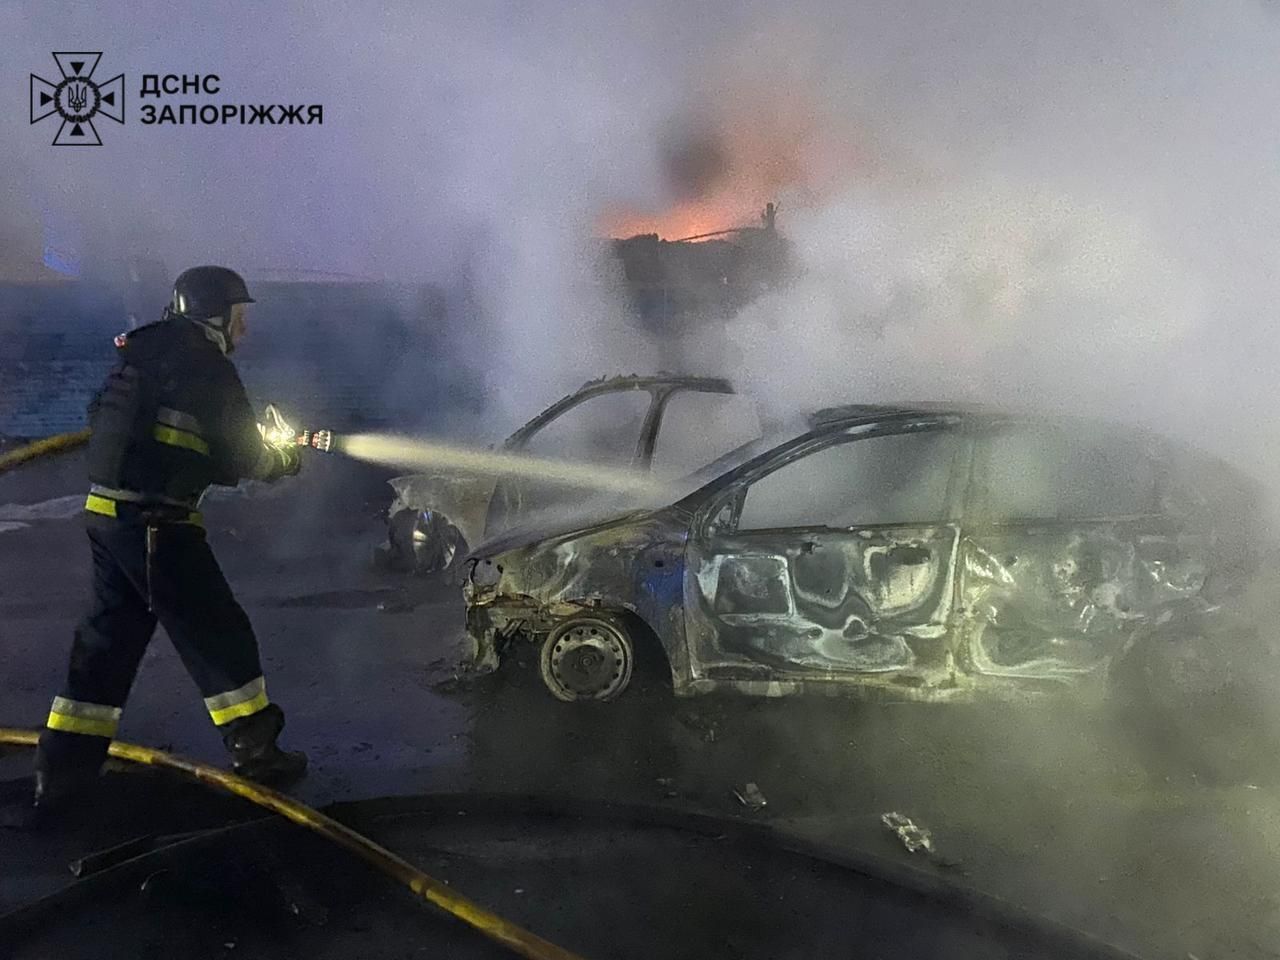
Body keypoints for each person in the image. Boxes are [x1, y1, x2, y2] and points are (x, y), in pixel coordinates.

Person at [9, 265, 308, 827]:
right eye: (238, 318)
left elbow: (104, 418)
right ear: (213, 315)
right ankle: (257, 752)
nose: (243, 330)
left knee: (106, 646)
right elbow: (239, 456)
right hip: (156, 524)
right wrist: (281, 461)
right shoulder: (205, 365)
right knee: (216, 632)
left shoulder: (143, 355)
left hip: (109, 518)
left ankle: (61, 773)